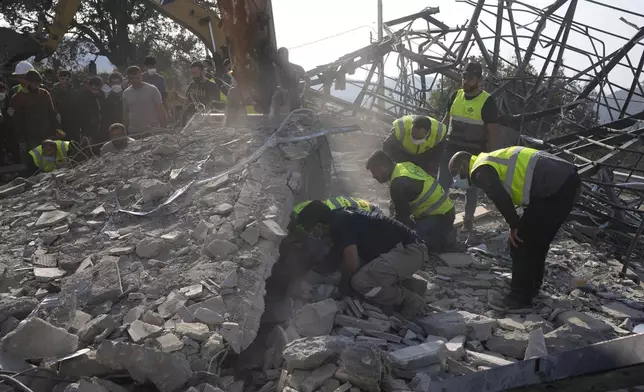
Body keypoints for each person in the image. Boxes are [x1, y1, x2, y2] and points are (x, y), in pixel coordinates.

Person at [448, 146, 581, 309]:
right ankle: (532, 288)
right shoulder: (492, 158)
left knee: (520, 242)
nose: (456, 180)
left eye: (455, 173)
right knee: (539, 241)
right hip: (567, 181)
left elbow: (499, 196)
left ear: (463, 165)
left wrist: (514, 225)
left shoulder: (479, 169)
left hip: (552, 187)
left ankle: (519, 297)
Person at [296, 201, 428, 317]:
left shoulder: (339, 225)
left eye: (310, 230)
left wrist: (345, 289)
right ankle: (412, 285)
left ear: (319, 226)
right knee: (357, 274)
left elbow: (352, 264)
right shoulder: (339, 218)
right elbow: (334, 260)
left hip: (410, 251)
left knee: (360, 282)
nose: (311, 235)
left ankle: (410, 300)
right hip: (406, 251)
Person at [438, 62, 500, 232]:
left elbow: (492, 132)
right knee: (441, 185)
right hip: (450, 149)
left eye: (470, 78)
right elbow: (445, 120)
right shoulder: (456, 96)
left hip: (473, 154)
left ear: (479, 80)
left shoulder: (487, 101)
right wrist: (437, 139)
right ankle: (439, 218)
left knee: (471, 190)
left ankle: (468, 222)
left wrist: (491, 157)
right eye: (464, 77)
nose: (465, 81)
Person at [367, 150, 456, 253]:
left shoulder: (397, 183)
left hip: (440, 216)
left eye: (374, 172)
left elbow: (402, 217)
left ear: (383, 167)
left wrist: (388, 232)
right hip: (446, 210)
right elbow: (398, 205)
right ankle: (443, 232)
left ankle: (445, 238)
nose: (373, 176)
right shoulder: (403, 166)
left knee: (411, 242)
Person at [9, 70, 61, 155]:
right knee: (33, 159)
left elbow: (52, 112)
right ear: (27, 82)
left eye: (38, 84)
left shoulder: (44, 94)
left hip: (46, 133)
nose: (36, 86)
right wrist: (21, 139)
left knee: (48, 159)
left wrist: (57, 128)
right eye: (34, 84)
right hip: (29, 136)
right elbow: (17, 121)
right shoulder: (17, 98)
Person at [382, 115, 447, 175]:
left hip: (425, 154)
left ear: (428, 133)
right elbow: (387, 147)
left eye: (419, 138)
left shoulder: (439, 133)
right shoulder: (400, 128)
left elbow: (438, 154)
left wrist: (429, 168)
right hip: (403, 151)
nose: (415, 140)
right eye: (413, 136)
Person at [122, 66, 167, 137]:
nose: (135, 80)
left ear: (141, 76)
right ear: (128, 78)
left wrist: (164, 128)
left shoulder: (152, 89)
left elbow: (160, 109)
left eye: (137, 77)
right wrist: (124, 132)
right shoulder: (126, 93)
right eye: (132, 78)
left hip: (152, 131)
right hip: (134, 132)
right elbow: (125, 113)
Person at [270, 47, 310, 117]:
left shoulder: (297, 68)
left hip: (291, 100)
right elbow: (308, 81)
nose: (283, 57)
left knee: (292, 121)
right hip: (285, 101)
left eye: (284, 55)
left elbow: (308, 80)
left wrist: (303, 95)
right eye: (282, 55)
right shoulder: (277, 69)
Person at [75, 76, 103, 156]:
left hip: (99, 129)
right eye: (94, 89)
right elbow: (79, 116)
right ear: (89, 86)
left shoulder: (101, 96)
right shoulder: (81, 97)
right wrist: (85, 132)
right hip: (87, 130)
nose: (95, 91)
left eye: (98, 89)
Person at [51, 70, 78, 143]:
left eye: (67, 79)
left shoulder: (73, 91)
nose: (65, 81)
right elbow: (52, 106)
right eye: (62, 79)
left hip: (73, 121)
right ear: (59, 79)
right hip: (60, 121)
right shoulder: (54, 91)